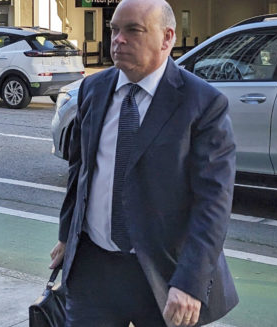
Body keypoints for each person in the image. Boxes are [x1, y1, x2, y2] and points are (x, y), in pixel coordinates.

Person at [49, 0, 238, 326]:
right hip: (95, 268)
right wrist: (68, 234)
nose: (118, 40)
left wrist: (190, 282)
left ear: (167, 38)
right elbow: (80, 171)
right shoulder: (93, 89)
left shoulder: (203, 103)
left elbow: (213, 203)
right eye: (114, 30)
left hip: (164, 275)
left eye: (133, 30)